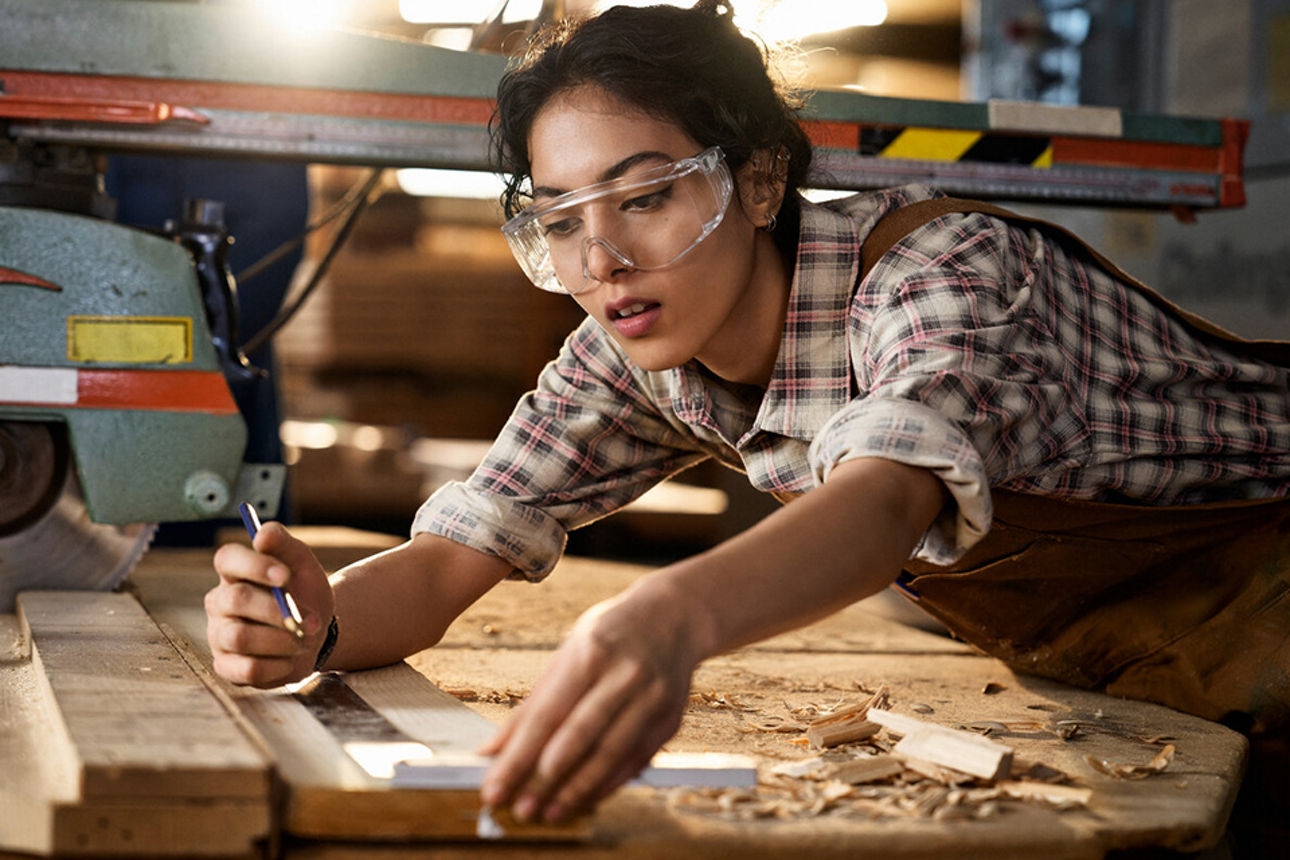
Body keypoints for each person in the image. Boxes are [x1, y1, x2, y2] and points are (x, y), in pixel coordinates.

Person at [204, 0, 1290, 827]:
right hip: (1138, 665)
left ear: (762, 182)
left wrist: (665, 616)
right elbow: (457, 555)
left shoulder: (942, 274)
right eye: (563, 220)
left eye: (643, 196)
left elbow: (885, 495)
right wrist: (317, 620)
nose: (603, 257)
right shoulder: (632, 353)